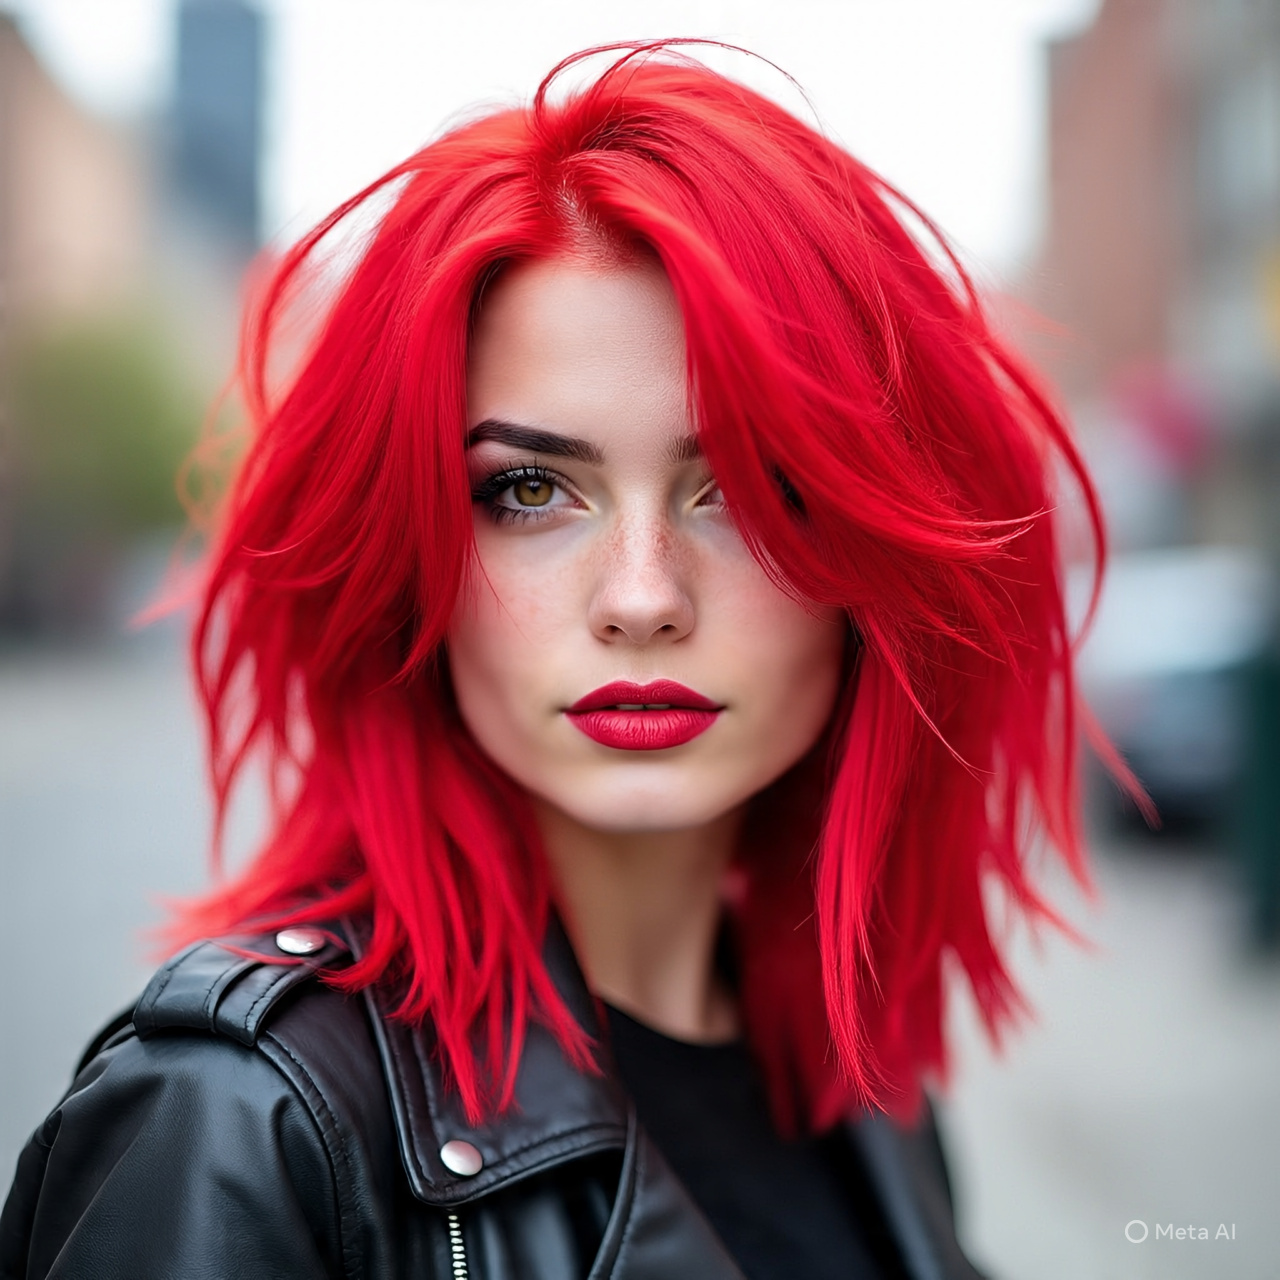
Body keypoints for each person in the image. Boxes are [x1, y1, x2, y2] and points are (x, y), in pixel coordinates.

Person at [1, 43, 1103, 1280]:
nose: (641, 598)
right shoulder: (234, 1127)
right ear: (408, 551)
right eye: (528, 488)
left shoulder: (859, 1085)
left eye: (742, 488)